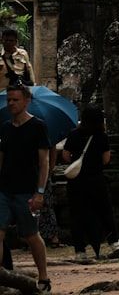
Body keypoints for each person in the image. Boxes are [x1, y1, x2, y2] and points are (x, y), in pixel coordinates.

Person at [0, 84, 50, 291]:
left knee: (31, 235)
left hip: (26, 191)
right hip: (3, 189)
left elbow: (44, 161)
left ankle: (44, 277)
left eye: (15, 100)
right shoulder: (4, 127)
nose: (11, 103)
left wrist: (39, 192)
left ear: (26, 101)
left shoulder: (38, 126)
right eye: (9, 100)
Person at [61, 105, 119, 262]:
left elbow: (66, 156)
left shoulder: (74, 134)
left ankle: (79, 250)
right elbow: (106, 159)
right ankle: (113, 240)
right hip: (96, 179)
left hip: (76, 182)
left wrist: (78, 160)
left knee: (77, 215)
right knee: (104, 211)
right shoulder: (101, 136)